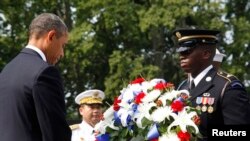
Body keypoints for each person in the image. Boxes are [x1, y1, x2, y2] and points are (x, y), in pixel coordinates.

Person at [0, 13, 71, 141]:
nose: (62, 53)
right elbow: (56, 133)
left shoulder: (6, 71)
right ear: (51, 36)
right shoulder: (45, 73)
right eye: (63, 45)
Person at [173, 28, 250, 140]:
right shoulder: (182, 87)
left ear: (206, 54)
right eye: (180, 52)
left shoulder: (227, 87)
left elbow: (240, 133)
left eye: (187, 51)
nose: (181, 56)